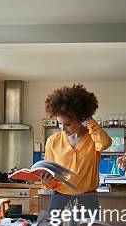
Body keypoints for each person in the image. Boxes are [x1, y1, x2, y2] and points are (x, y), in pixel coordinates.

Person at [40, 84, 112, 212]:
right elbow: (50, 173)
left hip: (88, 199)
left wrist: (88, 118)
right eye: (59, 124)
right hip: (60, 199)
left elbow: (105, 143)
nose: (63, 128)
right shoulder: (52, 141)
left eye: (68, 124)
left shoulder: (93, 139)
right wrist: (47, 182)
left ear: (80, 119)